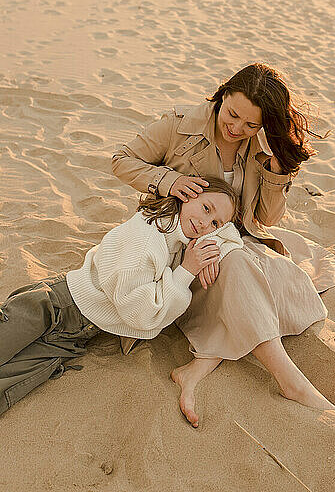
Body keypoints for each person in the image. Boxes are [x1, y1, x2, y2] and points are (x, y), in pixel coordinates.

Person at [112, 63, 335, 428]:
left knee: (259, 272)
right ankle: (292, 383)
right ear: (222, 94)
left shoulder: (262, 147)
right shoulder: (178, 125)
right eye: (232, 114)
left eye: (250, 124)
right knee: (243, 273)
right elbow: (120, 161)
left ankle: (196, 369)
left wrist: (276, 171)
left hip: (235, 241)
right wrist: (168, 180)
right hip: (180, 247)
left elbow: (269, 219)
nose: (236, 128)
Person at [0, 177, 242, 416]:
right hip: (56, 307)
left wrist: (214, 243)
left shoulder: (177, 232)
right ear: (187, 193)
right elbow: (140, 314)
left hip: (75, 334)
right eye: (206, 208)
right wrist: (186, 271)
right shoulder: (147, 237)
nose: (204, 224)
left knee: (7, 389)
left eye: (214, 223)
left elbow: (231, 235)